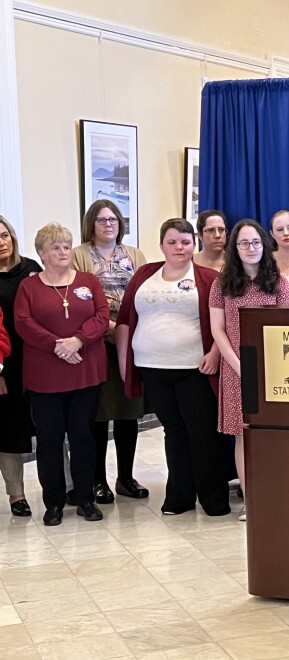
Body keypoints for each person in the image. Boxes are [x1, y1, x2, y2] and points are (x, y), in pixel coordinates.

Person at [116, 219, 229, 517]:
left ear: (194, 244)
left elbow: (225, 322)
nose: (179, 247)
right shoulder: (144, 274)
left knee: (202, 433)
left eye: (185, 241)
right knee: (174, 432)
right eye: (172, 242)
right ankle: (179, 497)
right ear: (162, 245)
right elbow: (126, 319)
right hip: (152, 367)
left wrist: (216, 353)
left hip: (195, 368)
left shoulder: (209, 278)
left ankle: (214, 501)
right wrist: (124, 364)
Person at [14, 223, 109, 526]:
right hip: (45, 375)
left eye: (66, 246)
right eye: (55, 247)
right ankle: (53, 502)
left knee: (83, 436)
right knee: (49, 440)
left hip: (84, 370)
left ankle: (85, 499)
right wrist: (57, 345)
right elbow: (23, 322)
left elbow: (102, 315)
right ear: (41, 253)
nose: (63, 251)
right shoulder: (29, 286)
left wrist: (78, 340)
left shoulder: (88, 281)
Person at [210, 220, 289, 521]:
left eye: (255, 242)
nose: (250, 248)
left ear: (264, 245)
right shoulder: (222, 284)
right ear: (235, 247)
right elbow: (217, 329)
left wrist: (270, 366)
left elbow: (288, 330)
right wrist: (238, 365)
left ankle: (275, 496)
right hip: (236, 371)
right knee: (243, 437)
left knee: (273, 436)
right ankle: (251, 501)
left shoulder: (279, 282)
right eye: (244, 243)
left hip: (274, 370)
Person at [71, 199, 148, 504]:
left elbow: (145, 294)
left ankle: (125, 478)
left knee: (129, 411)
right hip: (96, 342)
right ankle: (97, 480)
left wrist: (126, 330)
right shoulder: (79, 255)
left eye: (113, 219)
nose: (108, 225)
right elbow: (77, 299)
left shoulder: (134, 254)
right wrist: (110, 327)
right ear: (91, 224)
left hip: (130, 341)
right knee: (99, 414)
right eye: (102, 220)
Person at [0, 215, 41, 517]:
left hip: (38, 358)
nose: (1, 243)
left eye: (4, 235)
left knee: (52, 424)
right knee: (9, 429)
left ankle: (66, 486)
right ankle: (17, 495)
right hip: (4, 366)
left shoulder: (31, 270)